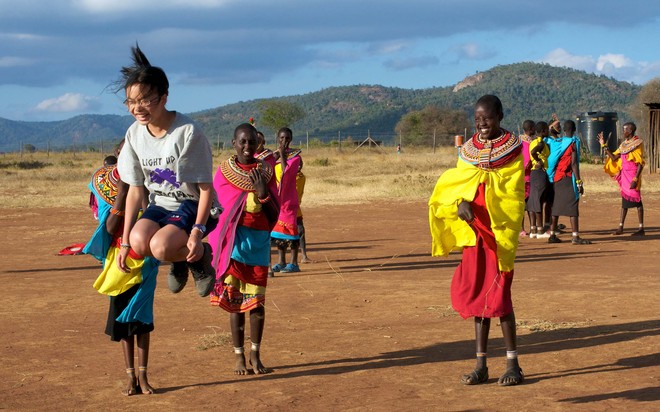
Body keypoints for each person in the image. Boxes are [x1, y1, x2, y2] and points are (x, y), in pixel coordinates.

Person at [429, 95, 525, 386]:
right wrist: (460, 201)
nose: (482, 123)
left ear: (500, 115)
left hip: (498, 232)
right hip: (474, 233)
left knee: (499, 296)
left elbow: (513, 193)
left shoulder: (514, 149)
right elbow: (458, 183)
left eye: (488, 117)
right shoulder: (468, 151)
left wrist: (486, 192)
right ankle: (481, 364)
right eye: (477, 118)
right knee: (478, 297)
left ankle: (513, 364)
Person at [114, 44, 219, 297]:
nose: (137, 107)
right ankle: (180, 259)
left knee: (160, 247)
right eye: (131, 101)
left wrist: (197, 232)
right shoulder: (134, 133)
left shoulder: (187, 132)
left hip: (191, 206)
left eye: (146, 100)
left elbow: (205, 189)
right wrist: (125, 242)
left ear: (164, 98)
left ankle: (201, 257)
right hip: (160, 205)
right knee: (140, 242)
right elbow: (135, 190)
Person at [207, 123, 279, 375]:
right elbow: (217, 210)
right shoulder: (224, 174)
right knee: (235, 302)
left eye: (252, 142)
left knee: (257, 304)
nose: (247, 146)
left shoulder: (267, 173)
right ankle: (238, 356)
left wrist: (262, 194)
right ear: (233, 143)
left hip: (257, 244)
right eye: (242, 142)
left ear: (258, 143)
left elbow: (274, 214)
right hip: (233, 245)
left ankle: (255, 355)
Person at [84, 161, 158, 396]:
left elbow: (152, 218)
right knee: (124, 324)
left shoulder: (150, 185)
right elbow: (109, 228)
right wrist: (122, 194)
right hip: (119, 264)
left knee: (143, 322)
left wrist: (142, 191)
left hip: (144, 262)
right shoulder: (110, 191)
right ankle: (130, 377)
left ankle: (144, 376)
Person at [544, 120, 591, 244]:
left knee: (556, 207)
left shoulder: (559, 142)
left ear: (564, 130)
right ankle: (575, 236)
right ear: (574, 129)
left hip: (557, 178)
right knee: (573, 205)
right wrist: (579, 182)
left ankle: (552, 235)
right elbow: (574, 163)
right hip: (568, 178)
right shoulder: (573, 143)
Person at [598, 122, 645, 236]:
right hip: (624, 175)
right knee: (624, 202)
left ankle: (641, 228)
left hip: (633, 175)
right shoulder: (623, 145)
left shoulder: (638, 143)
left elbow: (640, 163)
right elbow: (614, 158)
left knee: (637, 200)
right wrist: (604, 145)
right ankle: (621, 227)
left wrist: (635, 179)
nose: (623, 131)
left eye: (625, 129)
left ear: (631, 131)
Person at [270, 127, 303, 273]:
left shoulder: (295, 157)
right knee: (278, 233)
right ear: (277, 138)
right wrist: (277, 156)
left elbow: (287, 173)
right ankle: (281, 261)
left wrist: (283, 156)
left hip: (289, 201)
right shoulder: (273, 156)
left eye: (287, 138)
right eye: (282, 138)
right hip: (278, 200)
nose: (284, 141)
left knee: (292, 233)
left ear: (291, 139)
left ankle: (294, 263)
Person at [527, 121, 551, 239]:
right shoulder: (540, 142)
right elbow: (533, 152)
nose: (548, 131)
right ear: (542, 132)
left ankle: (533, 229)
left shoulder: (532, 142)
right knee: (539, 200)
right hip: (539, 172)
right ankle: (540, 230)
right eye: (547, 129)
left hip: (533, 173)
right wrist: (539, 161)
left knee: (534, 200)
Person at [519, 120, 535, 237]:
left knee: (529, 205)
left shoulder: (519, 142)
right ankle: (522, 229)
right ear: (530, 129)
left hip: (530, 178)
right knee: (523, 206)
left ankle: (531, 228)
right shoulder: (522, 143)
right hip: (524, 178)